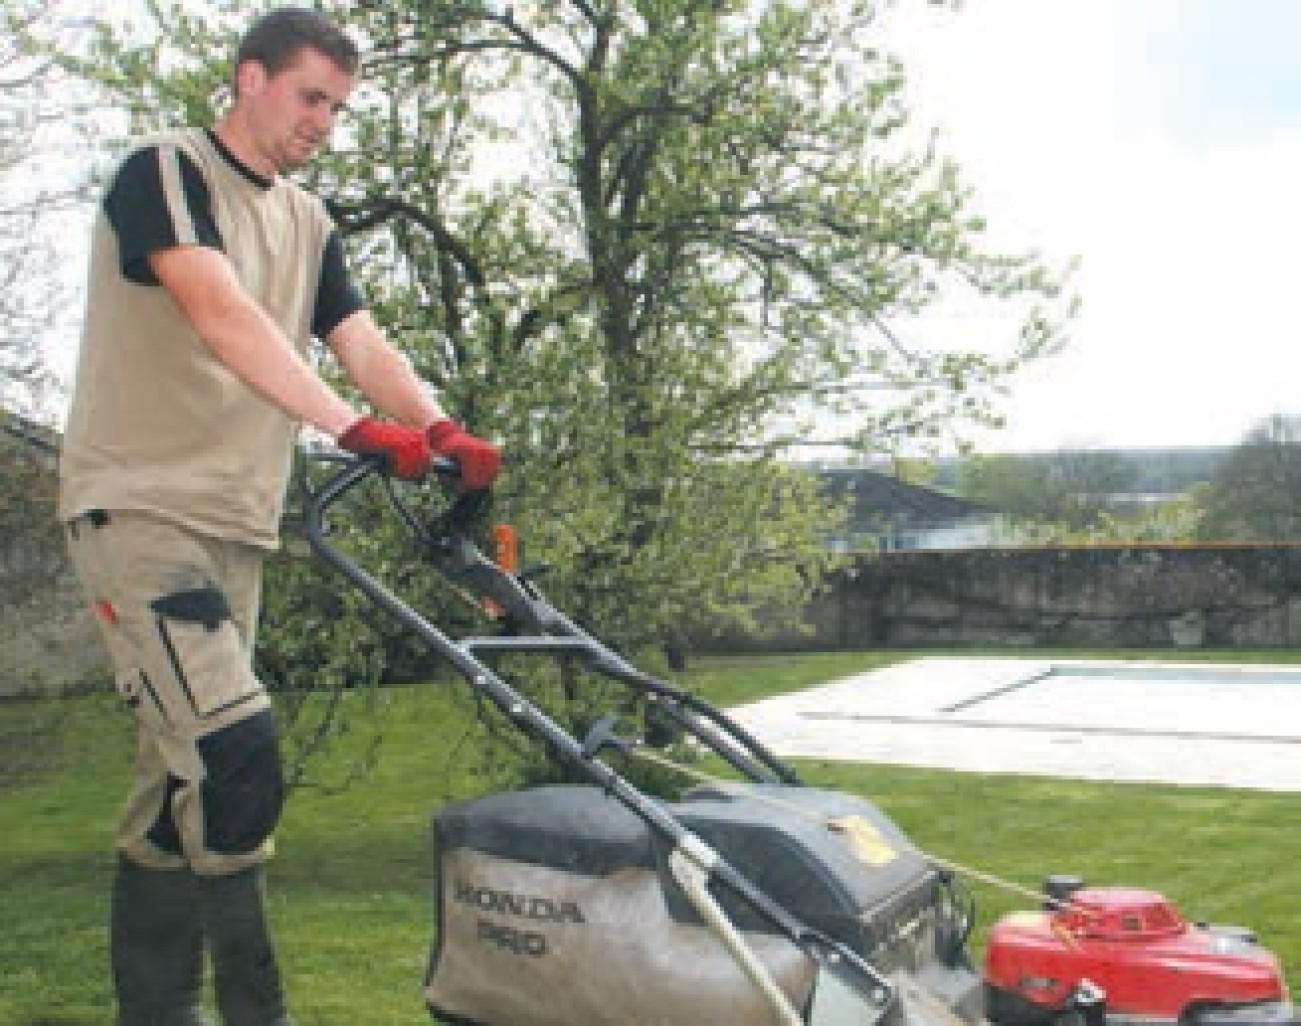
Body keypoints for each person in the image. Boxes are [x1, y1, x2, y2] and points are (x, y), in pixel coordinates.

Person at [56, 8, 500, 1024]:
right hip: (138, 510)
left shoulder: (306, 221)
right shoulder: (164, 171)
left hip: (236, 528)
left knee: (174, 794)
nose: (324, 123)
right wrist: (350, 429)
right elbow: (218, 312)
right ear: (247, 78)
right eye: (310, 97)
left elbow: (357, 335)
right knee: (235, 753)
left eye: (338, 108)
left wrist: (438, 429)